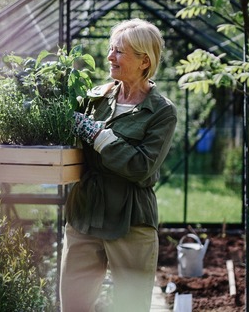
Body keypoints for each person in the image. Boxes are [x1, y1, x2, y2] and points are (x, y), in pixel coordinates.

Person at [60, 18, 177, 312]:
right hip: (84, 214)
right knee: (73, 305)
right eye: (112, 49)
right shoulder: (95, 98)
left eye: (120, 52)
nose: (110, 57)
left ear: (144, 61)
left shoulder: (161, 111)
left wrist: (99, 135)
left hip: (131, 221)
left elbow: (141, 166)